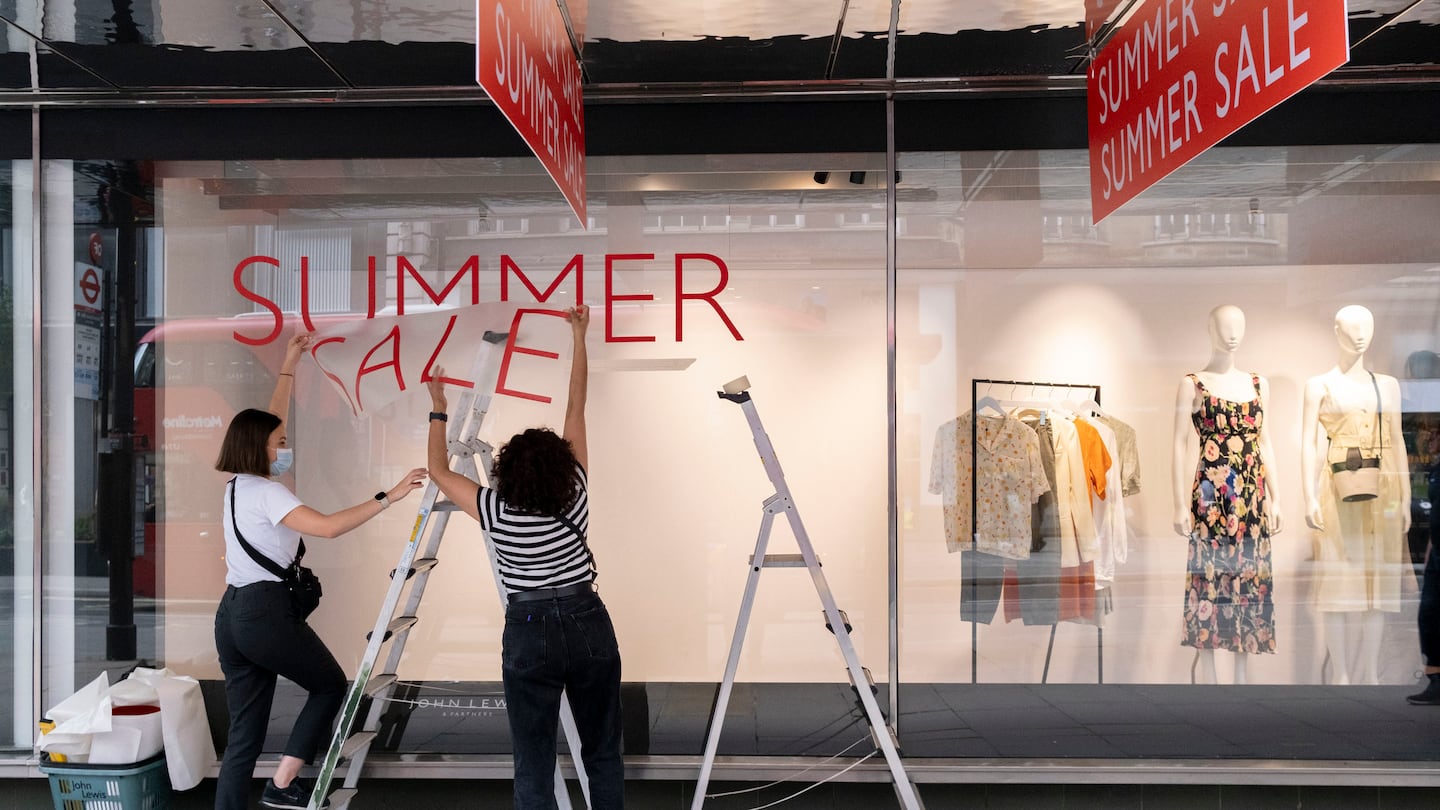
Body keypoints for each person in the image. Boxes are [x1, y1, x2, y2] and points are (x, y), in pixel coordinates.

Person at [213, 332, 427, 810]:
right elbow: (328, 529)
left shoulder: (235, 487)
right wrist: (388, 496)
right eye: (281, 442)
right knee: (329, 686)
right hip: (264, 613)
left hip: (230, 616)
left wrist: (290, 363)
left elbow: (271, 419)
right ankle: (283, 784)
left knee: (244, 737)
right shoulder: (270, 494)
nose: (286, 446)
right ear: (261, 448)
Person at [425, 304, 624, 809]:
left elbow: (437, 470)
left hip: (529, 622)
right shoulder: (575, 490)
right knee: (601, 749)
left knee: (532, 758)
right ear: (561, 466)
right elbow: (575, 408)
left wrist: (438, 406)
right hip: (585, 617)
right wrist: (579, 338)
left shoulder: (495, 510)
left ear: (506, 472)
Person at [1172, 304, 1284, 685]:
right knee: (1209, 576)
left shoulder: (1258, 384)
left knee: (1248, 578)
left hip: (1252, 499)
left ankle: (1241, 677)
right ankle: (1208, 674)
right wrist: (1178, 504)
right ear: (1209, 328)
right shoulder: (1193, 383)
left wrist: (1278, 497)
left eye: (1239, 324)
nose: (1232, 332)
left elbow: (1265, 442)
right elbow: (1177, 444)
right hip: (1210, 497)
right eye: (1224, 325)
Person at [1300, 305, 1410, 685]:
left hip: (1383, 487)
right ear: (1336, 330)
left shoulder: (1389, 384)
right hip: (1338, 484)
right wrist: (1309, 496)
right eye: (1353, 326)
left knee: (1377, 584)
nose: (1361, 333)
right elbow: (1308, 443)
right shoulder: (1320, 385)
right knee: (1338, 578)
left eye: (1368, 326)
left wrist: (1406, 498)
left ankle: (1369, 674)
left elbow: (1397, 440)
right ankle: (1343, 674)